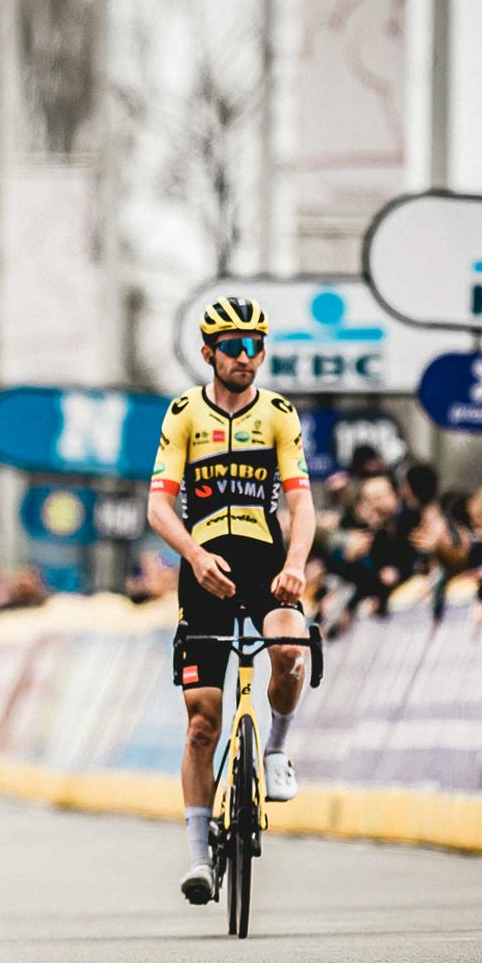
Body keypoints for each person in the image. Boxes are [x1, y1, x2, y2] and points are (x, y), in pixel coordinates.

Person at [146, 296, 315, 906]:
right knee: (201, 723)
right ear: (209, 354)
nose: (246, 358)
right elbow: (158, 504)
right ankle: (197, 857)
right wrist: (193, 556)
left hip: (262, 557)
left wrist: (295, 564)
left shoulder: (279, 414)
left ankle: (274, 751)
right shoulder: (184, 413)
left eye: (255, 347)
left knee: (291, 650)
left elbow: (300, 503)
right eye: (234, 347)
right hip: (205, 563)